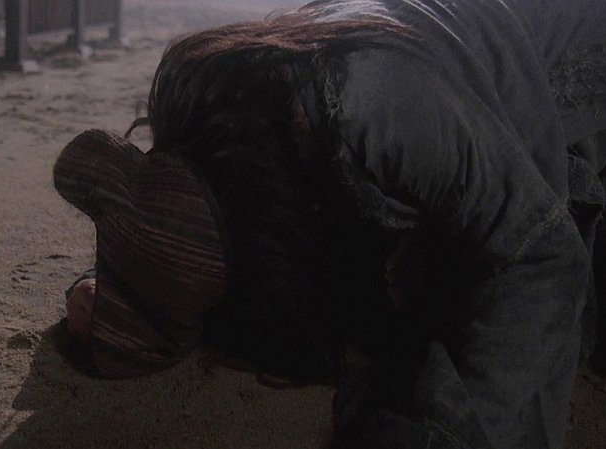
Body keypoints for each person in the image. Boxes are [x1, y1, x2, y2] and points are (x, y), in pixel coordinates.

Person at [53, 0, 606, 448]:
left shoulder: (365, 106)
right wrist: (116, 282)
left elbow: (540, 256)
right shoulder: (216, 133)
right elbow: (171, 221)